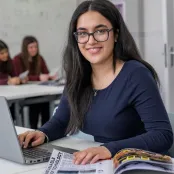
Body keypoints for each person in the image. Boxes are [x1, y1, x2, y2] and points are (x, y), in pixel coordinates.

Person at [18, 0, 173, 165]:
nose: (90, 41)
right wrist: (43, 133)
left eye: (100, 31)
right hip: (100, 162)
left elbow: (162, 134)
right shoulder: (78, 74)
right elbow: (62, 120)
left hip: (133, 164)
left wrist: (109, 149)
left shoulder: (135, 74)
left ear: (116, 35)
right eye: (83, 33)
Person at [13, 36, 54, 129]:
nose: (34, 49)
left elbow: (46, 72)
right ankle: (33, 129)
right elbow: (19, 77)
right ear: (25, 48)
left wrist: (49, 76)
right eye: (31, 47)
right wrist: (38, 77)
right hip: (24, 93)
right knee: (36, 105)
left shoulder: (39, 58)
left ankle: (45, 130)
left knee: (45, 102)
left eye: (35, 47)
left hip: (37, 90)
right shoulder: (17, 59)